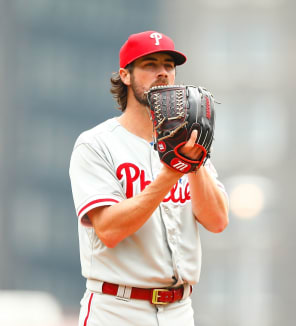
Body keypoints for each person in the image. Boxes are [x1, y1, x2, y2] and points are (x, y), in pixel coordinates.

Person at [69, 30, 229, 326]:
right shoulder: (96, 144)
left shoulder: (188, 144)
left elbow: (217, 220)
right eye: (150, 65)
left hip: (179, 311)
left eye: (169, 65)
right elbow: (109, 230)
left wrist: (194, 163)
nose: (162, 73)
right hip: (117, 309)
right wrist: (172, 172)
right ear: (125, 75)